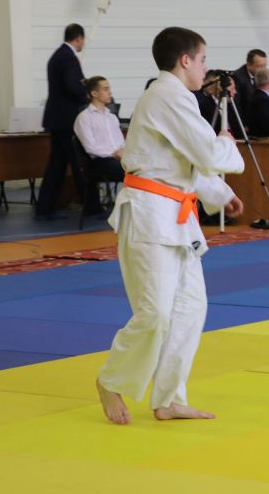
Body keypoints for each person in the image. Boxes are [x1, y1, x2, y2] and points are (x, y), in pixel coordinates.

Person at [95, 27, 245, 425]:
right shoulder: (166, 95)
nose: (205, 68)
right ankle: (110, 379)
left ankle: (169, 398)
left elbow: (181, 162)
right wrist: (227, 143)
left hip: (177, 216)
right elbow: (207, 152)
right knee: (156, 313)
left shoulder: (177, 97)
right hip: (149, 216)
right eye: (202, 60)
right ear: (185, 60)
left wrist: (218, 193)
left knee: (190, 309)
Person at [35, 23, 89, 220]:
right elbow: (72, 86)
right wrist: (88, 94)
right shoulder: (68, 58)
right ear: (79, 38)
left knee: (57, 164)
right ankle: (90, 204)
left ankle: (45, 206)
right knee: (78, 161)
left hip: (57, 118)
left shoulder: (57, 55)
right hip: (67, 119)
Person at [73, 76, 126, 213]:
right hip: (99, 161)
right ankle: (127, 208)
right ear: (94, 93)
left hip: (116, 158)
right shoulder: (84, 117)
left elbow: (121, 142)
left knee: (142, 167)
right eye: (106, 89)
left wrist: (122, 151)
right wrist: (113, 154)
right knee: (130, 170)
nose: (110, 92)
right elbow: (90, 147)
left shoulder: (112, 117)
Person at [197, 70, 243, 134]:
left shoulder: (231, 106)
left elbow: (238, 131)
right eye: (232, 89)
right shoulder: (204, 106)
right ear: (220, 88)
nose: (235, 92)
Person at [232, 49, 267, 124]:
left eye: (265, 66)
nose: (263, 70)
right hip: (245, 123)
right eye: (259, 66)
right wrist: (243, 125)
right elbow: (236, 106)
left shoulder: (263, 75)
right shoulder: (237, 77)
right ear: (249, 65)